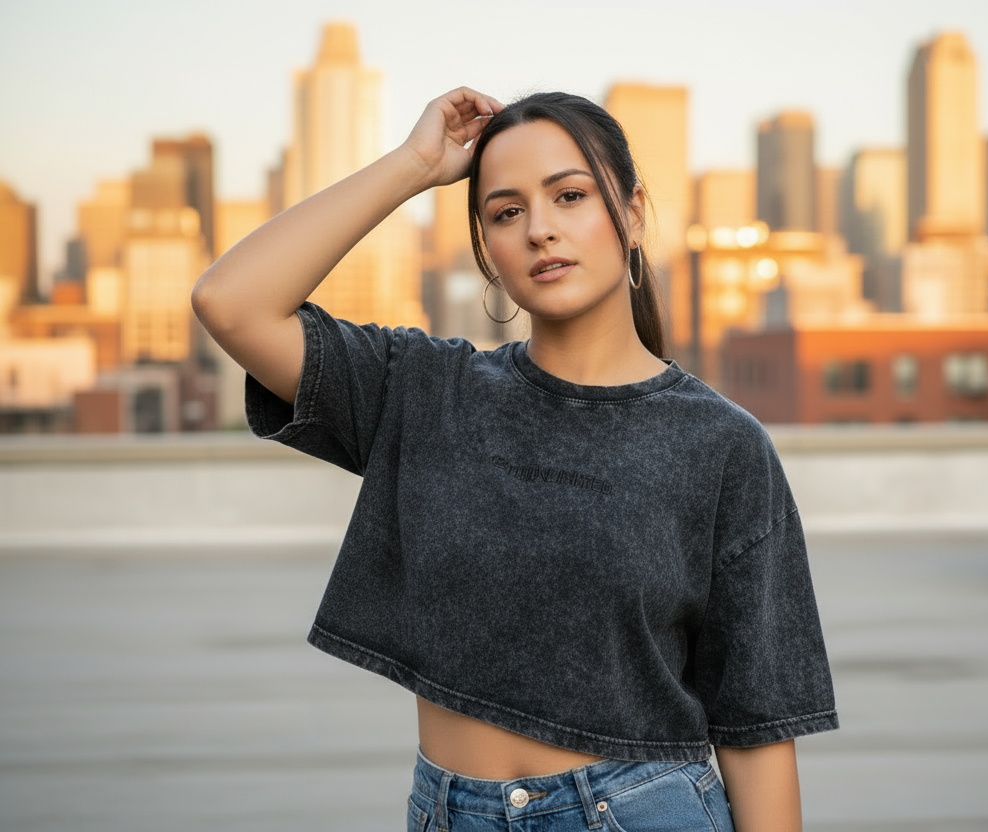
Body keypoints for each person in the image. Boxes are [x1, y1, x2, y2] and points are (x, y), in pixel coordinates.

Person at [192, 86, 837, 832]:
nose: (540, 230)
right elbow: (231, 302)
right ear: (487, 253)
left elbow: (756, 723)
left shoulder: (722, 445)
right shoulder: (424, 390)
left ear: (630, 214)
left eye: (570, 196)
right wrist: (414, 164)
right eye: (506, 212)